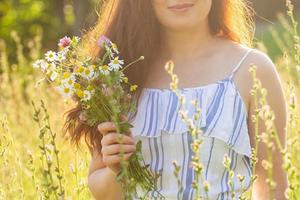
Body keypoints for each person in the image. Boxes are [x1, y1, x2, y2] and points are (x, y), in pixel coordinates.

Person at [64, 0, 287, 199]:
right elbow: (103, 193)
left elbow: (273, 188)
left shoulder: (252, 70)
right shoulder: (117, 72)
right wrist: (117, 170)